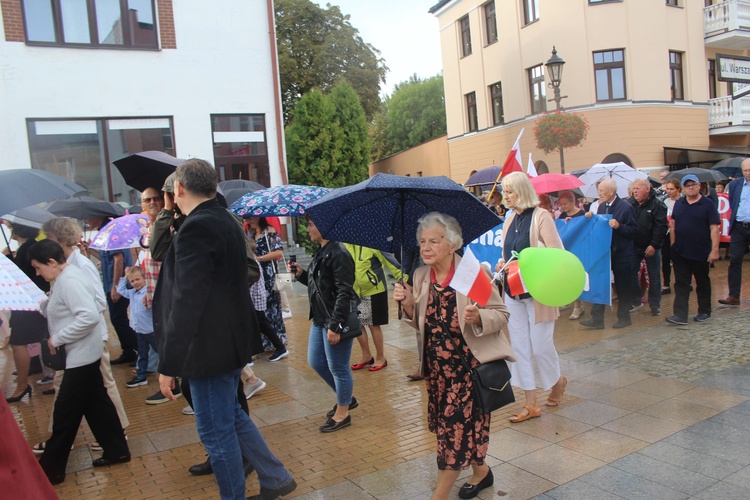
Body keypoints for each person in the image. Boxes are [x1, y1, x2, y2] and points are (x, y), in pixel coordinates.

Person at [154, 159, 295, 500]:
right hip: (227, 344)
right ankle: (275, 478)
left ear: (179, 189)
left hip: (208, 350)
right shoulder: (224, 220)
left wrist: (168, 364)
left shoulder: (198, 227)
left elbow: (188, 300)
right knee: (232, 418)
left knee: (217, 434)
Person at [393, 212, 512, 500]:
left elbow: (502, 314)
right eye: (422, 241)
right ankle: (482, 472)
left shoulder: (472, 274)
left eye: (434, 241)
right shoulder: (421, 275)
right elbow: (420, 321)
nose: (426, 247)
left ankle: (439, 495)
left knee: (453, 433)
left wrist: (479, 316)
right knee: (455, 429)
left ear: (452, 243)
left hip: (468, 373)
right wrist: (408, 304)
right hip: (437, 372)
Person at [29, 240, 130, 485]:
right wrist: (47, 304)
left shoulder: (69, 280)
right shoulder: (66, 278)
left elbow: (88, 316)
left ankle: (51, 469)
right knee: (98, 405)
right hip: (84, 354)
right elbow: (76, 310)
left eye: (38, 267)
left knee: (66, 413)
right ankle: (117, 450)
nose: (37, 273)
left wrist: (58, 338)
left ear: (51, 263)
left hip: (81, 356)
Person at [495, 172, 567, 423]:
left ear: (523, 191)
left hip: (538, 292)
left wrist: (530, 261)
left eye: (510, 191)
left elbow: (558, 253)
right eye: (505, 191)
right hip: (513, 292)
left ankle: (557, 382)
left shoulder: (541, 216)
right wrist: (503, 262)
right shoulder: (509, 219)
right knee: (519, 348)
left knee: (540, 345)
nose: (506, 196)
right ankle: (531, 404)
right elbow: (508, 253)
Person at [291, 216, 358, 433]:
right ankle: (346, 397)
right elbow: (320, 286)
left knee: (338, 367)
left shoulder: (339, 253)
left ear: (324, 226)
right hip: (320, 318)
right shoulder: (323, 251)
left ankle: (343, 411)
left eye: (311, 224)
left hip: (333, 320)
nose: (307, 228)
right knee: (316, 362)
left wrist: (335, 325)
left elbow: (344, 291)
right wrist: (302, 274)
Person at [581, 178, 638, 329]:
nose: (599, 193)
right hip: (605, 252)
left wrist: (619, 226)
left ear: (612, 192)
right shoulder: (601, 207)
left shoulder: (625, 207)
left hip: (622, 253)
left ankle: (624, 317)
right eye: (599, 190)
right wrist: (590, 218)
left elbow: (634, 230)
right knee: (600, 282)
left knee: (622, 286)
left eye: (601, 191)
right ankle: (597, 319)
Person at [3, 224, 49, 402]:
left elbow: (20, 276)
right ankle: (49, 377)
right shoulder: (31, 247)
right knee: (42, 337)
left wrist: (8, 257)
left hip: (26, 303)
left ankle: (22, 385)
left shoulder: (25, 250)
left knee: (18, 343)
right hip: (36, 301)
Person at [667, 174, 720, 324]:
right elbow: (673, 225)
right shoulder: (680, 203)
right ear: (683, 188)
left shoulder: (708, 204)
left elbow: (714, 228)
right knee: (681, 284)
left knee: (702, 282)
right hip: (681, 251)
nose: (691, 188)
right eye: (688, 185)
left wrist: (715, 249)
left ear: (699, 186)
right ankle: (680, 315)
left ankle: (704, 311)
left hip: (701, 251)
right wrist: (673, 246)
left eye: (693, 185)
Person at [85, 216, 138, 365]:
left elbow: (118, 259)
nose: (88, 221)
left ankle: (138, 350)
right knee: (117, 318)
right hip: (112, 283)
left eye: (88, 218)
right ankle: (129, 351)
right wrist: (90, 250)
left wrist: (116, 286)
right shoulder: (106, 231)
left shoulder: (111, 231)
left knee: (118, 318)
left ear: (98, 216)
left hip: (116, 284)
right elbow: (106, 258)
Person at [344, 244, 404, 372]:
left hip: (375, 290)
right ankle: (366, 356)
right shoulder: (345, 244)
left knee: (374, 324)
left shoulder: (372, 242)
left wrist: (404, 279)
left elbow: (389, 261)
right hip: (355, 291)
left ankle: (381, 357)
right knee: (358, 324)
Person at [247, 216, 289, 357]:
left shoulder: (269, 231)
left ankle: (277, 342)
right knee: (261, 311)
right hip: (256, 275)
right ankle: (267, 343)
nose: (249, 221)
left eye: (251, 218)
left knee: (271, 308)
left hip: (268, 274)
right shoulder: (251, 233)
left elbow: (278, 252)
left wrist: (259, 258)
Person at [629, 178, 668, 316]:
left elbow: (661, 227)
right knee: (630, 274)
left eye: (638, 188)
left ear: (647, 189)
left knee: (654, 277)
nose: (635, 191)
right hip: (634, 246)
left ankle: (655, 305)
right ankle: (636, 299)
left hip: (651, 247)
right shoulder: (630, 204)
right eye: (634, 189)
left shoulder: (658, 205)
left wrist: (654, 245)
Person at [116, 266, 158, 388]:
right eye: (132, 281)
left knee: (160, 350)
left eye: (137, 279)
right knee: (142, 353)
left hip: (150, 329)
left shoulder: (148, 292)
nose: (135, 283)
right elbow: (120, 289)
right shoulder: (132, 293)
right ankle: (141, 376)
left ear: (144, 278)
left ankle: (175, 371)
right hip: (140, 330)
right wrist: (125, 277)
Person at [721, 159, 750, 306]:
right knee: (735, 260)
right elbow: (733, 202)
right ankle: (734, 295)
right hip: (739, 226)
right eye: (745, 170)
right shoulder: (735, 185)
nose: (748, 173)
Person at [556, 191, 586, 320]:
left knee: (576, 278)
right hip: (566, 250)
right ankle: (567, 299)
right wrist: (564, 222)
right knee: (565, 278)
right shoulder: (562, 215)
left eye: (565, 204)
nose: (563, 207)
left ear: (573, 202)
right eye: (561, 204)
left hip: (579, 250)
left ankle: (578, 306)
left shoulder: (582, 214)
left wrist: (575, 222)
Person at [661, 178, 682, 295]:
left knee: (680, 259)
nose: (669, 191)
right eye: (667, 189)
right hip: (667, 233)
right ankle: (666, 284)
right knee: (665, 258)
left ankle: (683, 282)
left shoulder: (683, 202)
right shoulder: (664, 202)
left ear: (678, 189)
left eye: (671, 189)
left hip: (680, 234)